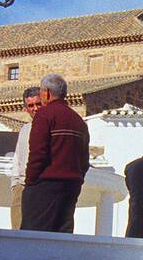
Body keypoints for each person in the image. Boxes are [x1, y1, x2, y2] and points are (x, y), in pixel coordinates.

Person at [21, 73, 89, 233]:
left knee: (34, 236)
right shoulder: (79, 121)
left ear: (47, 93)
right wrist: (77, 178)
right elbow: (84, 160)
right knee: (62, 235)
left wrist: (30, 181)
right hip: (72, 186)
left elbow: (38, 153)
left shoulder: (45, 115)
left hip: (45, 185)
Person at [9, 86, 44, 229]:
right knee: (17, 230)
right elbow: (18, 157)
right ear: (25, 108)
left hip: (41, 187)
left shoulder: (52, 126)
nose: (35, 108)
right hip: (21, 187)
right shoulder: (24, 130)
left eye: (38, 104)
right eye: (30, 105)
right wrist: (14, 183)